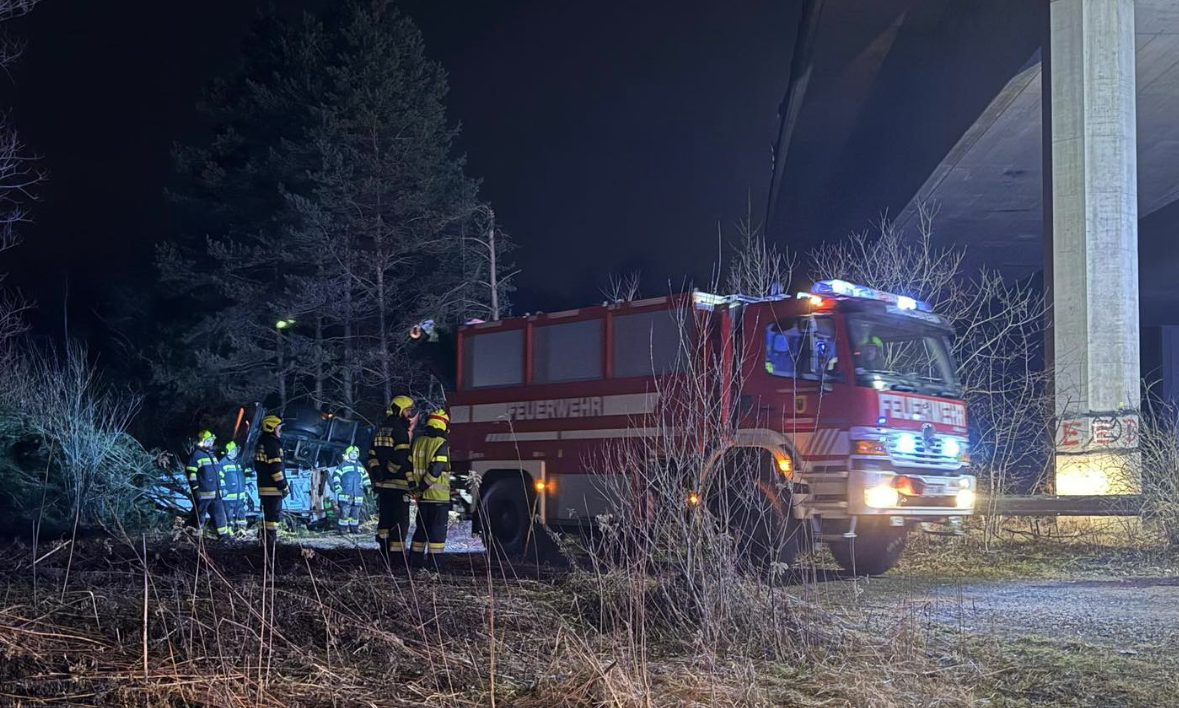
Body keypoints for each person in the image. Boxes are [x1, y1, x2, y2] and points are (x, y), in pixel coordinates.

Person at [368, 395, 415, 555]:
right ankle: (397, 557)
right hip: (397, 485)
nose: (409, 415)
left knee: (385, 520)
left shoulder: (381, 429)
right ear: (399, 409)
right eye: (407, 410)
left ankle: (384, 551)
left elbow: (372, 453)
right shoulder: (399, 430)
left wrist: (377, 471)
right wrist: (391, 471)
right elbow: (401, 457)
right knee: (399, 523)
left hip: (382, 486)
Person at [410, 409, 452, 565]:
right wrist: (423, 486)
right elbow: (436, 468)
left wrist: (416, 489)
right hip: (437, 498)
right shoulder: (441, 443)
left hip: (422, 498)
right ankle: (435, 564)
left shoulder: (417, 442)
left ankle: (415, 562)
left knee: (421, 531)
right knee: (437, 533)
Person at [253, 414, 287, 554]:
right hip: (273, 488)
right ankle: (270, 543)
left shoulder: (263, 442)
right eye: (279, 428)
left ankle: (263, 540)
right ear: (272, 428)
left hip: (264, 487)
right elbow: (275, 468)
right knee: (273, 517)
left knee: (266, 516)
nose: (280, 430)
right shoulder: (272, 444)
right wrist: (283, 486)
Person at [186, 430, 229, 538]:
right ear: (202, 441)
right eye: (208, 441)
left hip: (216, 493)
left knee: (219, 514)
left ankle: (223, 535)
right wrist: (195, 489)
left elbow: (219, 474)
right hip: (203, 493)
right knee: (199, 515)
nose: (211, 443)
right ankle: (193, 536)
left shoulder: (212, 455)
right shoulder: (196, 455)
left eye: (212, 441)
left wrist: (222, 487)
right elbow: (191, 474)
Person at [330, 445, 370, 535]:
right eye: (352, 453)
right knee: (345, 512)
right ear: (348, 454)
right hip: (346, 493)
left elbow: (366, 477)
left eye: (356, 453)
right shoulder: (343, 465)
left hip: (358, 494)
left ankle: (354, 529)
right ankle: (342, 530)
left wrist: (368, 486)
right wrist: (337, 485)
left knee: (355, 513)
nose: (354, 454)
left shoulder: (360, 466)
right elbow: (336, 476)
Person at [219, 441, 248, 536]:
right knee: (228, 514)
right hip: (228, 497)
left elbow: (243, 475)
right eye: (234, 450)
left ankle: (241, 530)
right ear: (229, 451)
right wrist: (223, 488)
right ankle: (229, 531)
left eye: (236, 450)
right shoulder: (223, 463)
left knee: (241, 513)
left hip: (239, 495)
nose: (236, 452)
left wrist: (248, 483)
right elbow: (219, 477)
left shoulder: (239, 462)